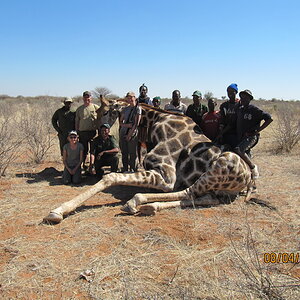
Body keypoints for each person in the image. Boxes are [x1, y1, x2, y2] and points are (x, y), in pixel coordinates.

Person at [233, 90, 273, 179]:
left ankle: (253, 167)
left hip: (251, 137)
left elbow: (269, 119)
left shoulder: (254, 110)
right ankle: (250, 182)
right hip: (241, 137)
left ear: (249, 99)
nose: (243, 99)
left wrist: (258, 130)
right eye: (242, 97)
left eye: (245, 97)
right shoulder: (240, 109)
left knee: (239, 149)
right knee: (245, 157)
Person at [75, 91, 100, 169]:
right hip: (82, 132)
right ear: (83, 98)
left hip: (93, 132)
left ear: (91, 98)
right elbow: (77, 121)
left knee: (93, 150)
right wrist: (77, 133)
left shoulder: (96, 107)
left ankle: (92, 165)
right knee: (84, 150)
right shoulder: (79, 109)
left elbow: (101, 118)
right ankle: (84, 165)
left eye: (88, 97)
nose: (87, 99)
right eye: (85, 97)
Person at [119, 92, 142, 172]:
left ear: (135, 98)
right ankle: (125, 169)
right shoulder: (125, 109)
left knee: (132, 154)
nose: (130, 99)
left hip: (133, 134)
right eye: (128, 98)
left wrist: (129, 135)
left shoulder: (138, 108)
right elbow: (120, 122)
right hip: (123, 132)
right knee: (124, 153)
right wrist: (126, 125)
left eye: (131, 97)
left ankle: (133, 170)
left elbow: (136, 124)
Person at [217, 83, 240, 149]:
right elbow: (222, 119)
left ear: (236, 92)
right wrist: (221, 132)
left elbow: (234, 122)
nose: (230, 93)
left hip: (237, 133)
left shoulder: (240, 105)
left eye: (232, 91)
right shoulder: (224, 105)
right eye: (228, 91)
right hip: (226, 133)